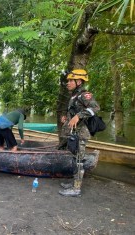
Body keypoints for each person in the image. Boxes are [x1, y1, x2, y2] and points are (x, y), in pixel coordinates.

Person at [58, 69, 100, 197]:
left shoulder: (84, 95)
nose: (68, 83)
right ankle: (73, 183)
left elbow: (95, 108)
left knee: (78, 160)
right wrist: (67, 118)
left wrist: (79, 116)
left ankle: (76, 189)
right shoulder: (74, 96)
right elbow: (74, 111)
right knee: (75, 158)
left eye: (71, 80)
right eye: (68, 80)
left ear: (79, 81)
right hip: (75, 133)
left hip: (81, 133)